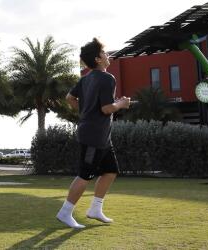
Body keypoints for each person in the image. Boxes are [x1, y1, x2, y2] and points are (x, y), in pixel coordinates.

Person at [57, 38, 131, 229]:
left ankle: (95, 209)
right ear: (98, 59)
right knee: (84, 175)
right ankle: (65, 212)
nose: (108, 55)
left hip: (101, 136)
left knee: (111, 171)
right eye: (105, 53)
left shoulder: (85, 79)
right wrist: (121, 104)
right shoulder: (107, 78)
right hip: (94, 136)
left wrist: (84, 112)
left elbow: (69, 98)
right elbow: (107, 108)